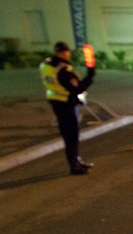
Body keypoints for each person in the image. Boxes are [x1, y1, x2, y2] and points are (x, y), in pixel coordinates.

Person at [39, 41, 96, 175]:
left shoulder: (46, 64)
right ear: (63, 53)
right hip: (66, 104)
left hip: (55, 101)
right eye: (67, 52)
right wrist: (90, 73)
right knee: (71, 136)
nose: (68, 54)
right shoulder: (63, 69)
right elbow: (77, 88)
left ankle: (76, 161)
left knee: (69, 135)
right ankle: (74, 166)